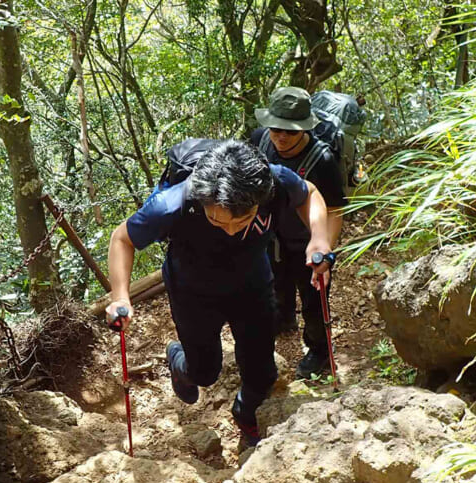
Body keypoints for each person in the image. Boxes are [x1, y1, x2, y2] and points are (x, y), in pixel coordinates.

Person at [104, 140, 330, 447]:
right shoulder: (175, 203)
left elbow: (310, 194)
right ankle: (179, 360)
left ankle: (246, 416)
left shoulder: (272, 182)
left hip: (253, 283)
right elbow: (122, 238)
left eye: (242, 221)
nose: (231, 231)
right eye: (217, 221)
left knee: (262, 370)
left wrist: (318, 238)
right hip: (193, 292)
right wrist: (121, 296)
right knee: (204, 372)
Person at [251, 87, 346, 379]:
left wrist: (326, 250)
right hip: (271, 236)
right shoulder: (259, 141)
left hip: (308, 242)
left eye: (289, 132)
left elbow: (334, 209)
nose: (280, 137)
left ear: (304, 129)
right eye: (276, 128)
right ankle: (283, 320)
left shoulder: (323, 160)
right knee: (275, 286)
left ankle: (318, 350)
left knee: (314, 300)